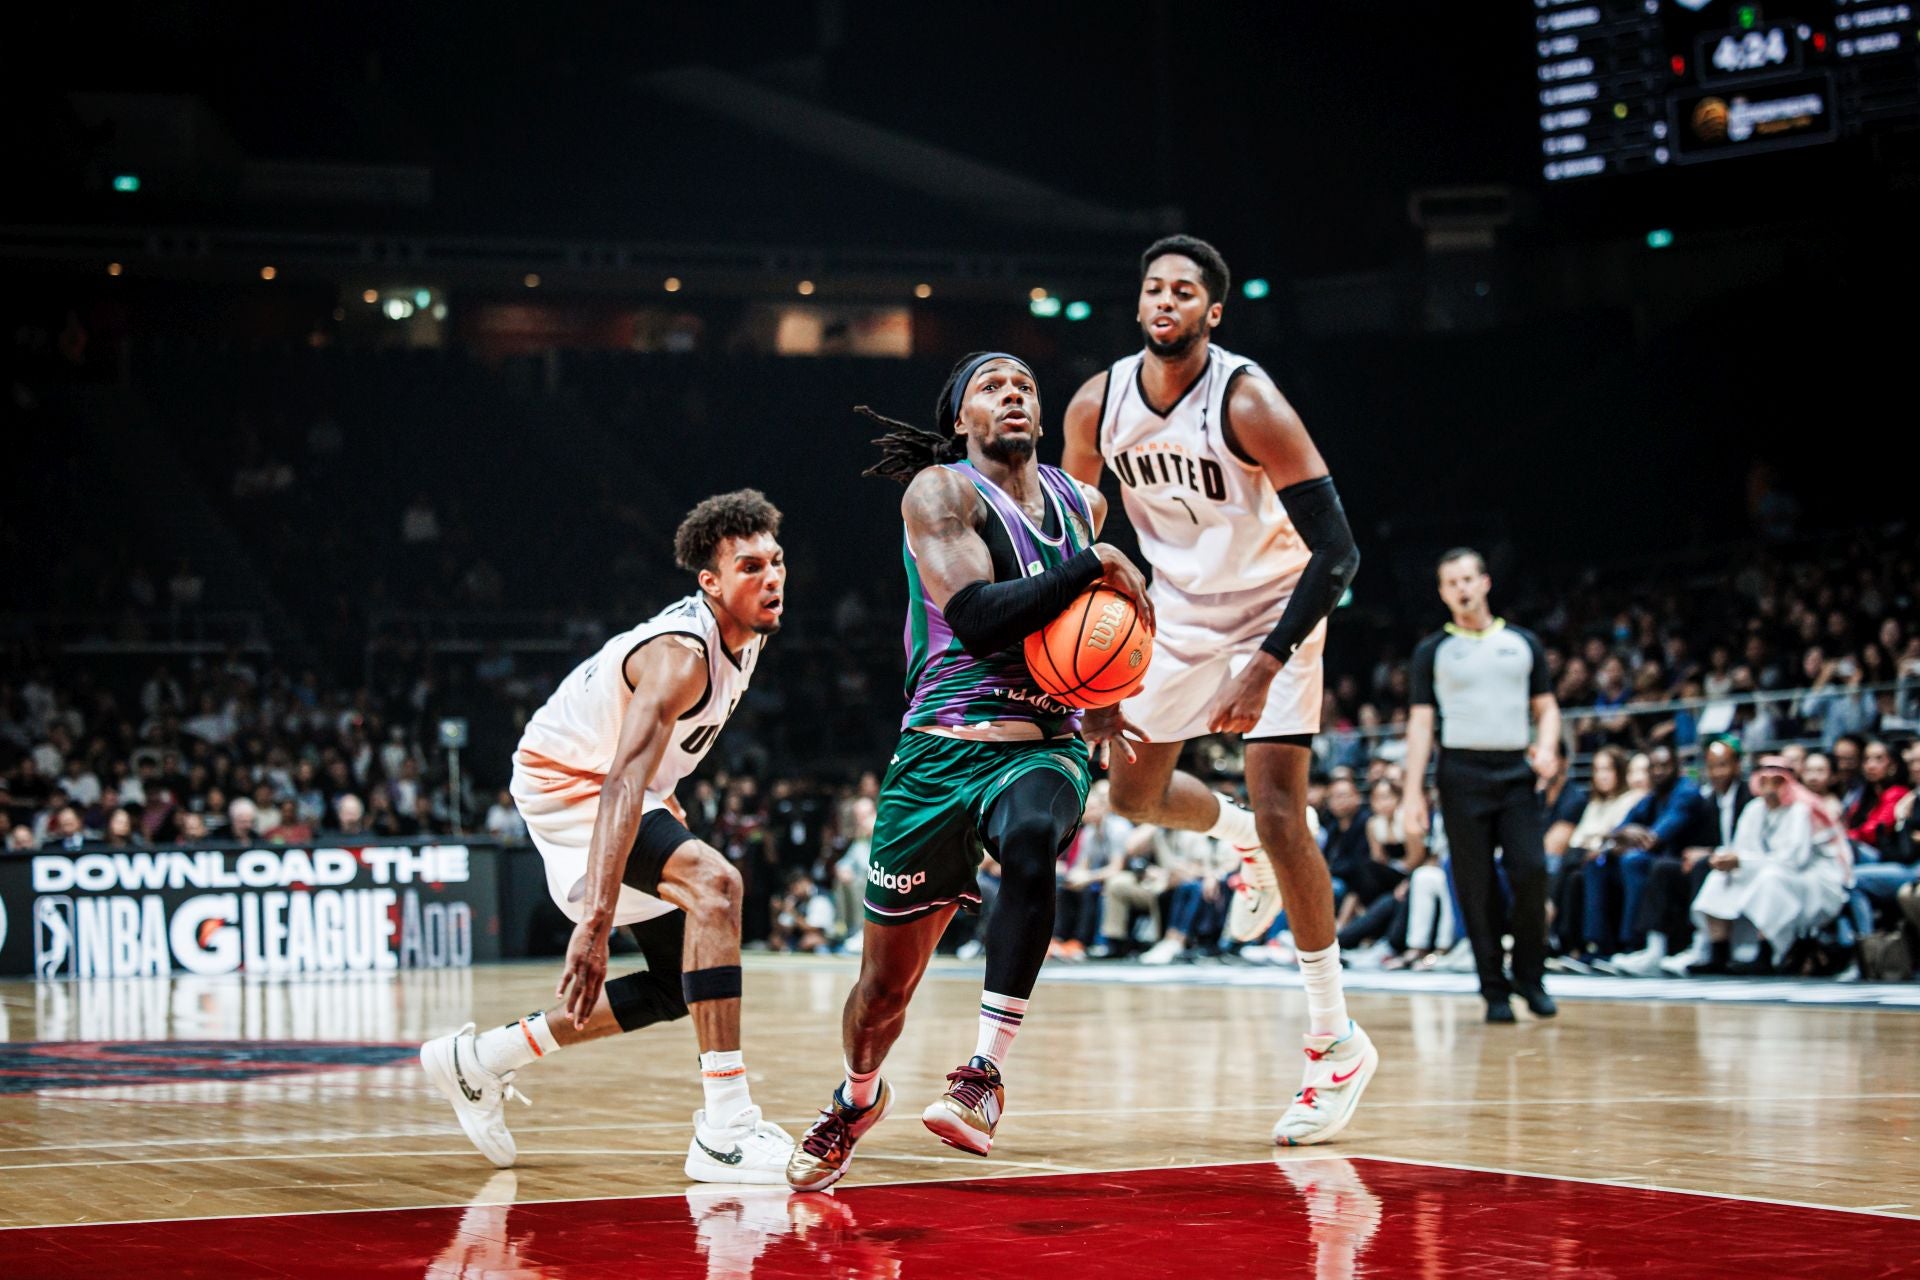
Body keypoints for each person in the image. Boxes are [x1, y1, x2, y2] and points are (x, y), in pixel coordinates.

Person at [788, 352, 1151, 1190]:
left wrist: (1109, 688)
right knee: (882, 991)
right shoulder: (939, 494)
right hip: (938, 752)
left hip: (1041, 743)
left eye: (1026, 382)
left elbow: (1111, 616)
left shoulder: (1081, 503)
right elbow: (979, 619)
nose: (1015, 393)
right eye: (992, 386)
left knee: (1031, 837)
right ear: (960, 420)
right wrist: (1090, 566)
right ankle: (856, 1098)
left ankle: (983, 1073)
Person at [1060, 235, 1373, 1145]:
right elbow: (1078, 545)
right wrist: (1089, 667)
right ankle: (1232, 838)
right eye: (1154, 287)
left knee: (1285, 811)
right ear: (1140, 304)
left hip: (1279, 606)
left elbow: (1340, 554)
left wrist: (1267, 662)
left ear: (1213, 311)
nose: (1166, 301)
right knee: (1131, 794)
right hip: (1178, 613)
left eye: (1185, 291)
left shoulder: (1249, 402)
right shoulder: (1097, 404)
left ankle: (1334, 1041)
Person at [420, 490, 795, 1184]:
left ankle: (482, 1061)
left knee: (676, 985)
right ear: (709, 582)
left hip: (617, 781)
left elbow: (649, 764)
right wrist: (594, 922)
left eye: (776, 561)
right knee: (717, 886)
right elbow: (622, 779)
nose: (771, 577)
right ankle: (726, 1129)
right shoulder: (684, 653)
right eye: (750, 566)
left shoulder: (745, 639)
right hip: (573, 783)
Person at [1401, 549, 1562, 1023]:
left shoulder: (1523, 642)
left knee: (1531, 870)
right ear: (1442, 592)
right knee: (1476, 885)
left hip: (1516, 771)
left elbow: (1547, 707)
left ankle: (1531, 977)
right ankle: (1493, 988)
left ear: (1486, 582)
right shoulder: (1433, 651)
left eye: (1469, 579)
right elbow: (1420, 724)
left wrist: (1548, 746)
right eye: (1452, 583)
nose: (1463, 589)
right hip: (1460, 774)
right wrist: (1413, 792)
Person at [1688, 756, 1852, 975]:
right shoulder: (1754, 809)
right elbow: (1743, 849)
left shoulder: (1802, 809)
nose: (1770, 787)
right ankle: (1719, 954)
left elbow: (1794, 860)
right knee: (1720, 877)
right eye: (1764, 780)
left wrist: (1743, 862)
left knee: (1771, 878)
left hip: (1815, 878)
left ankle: (1766, 954)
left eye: (1777, 781)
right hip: (1766, 868)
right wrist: (1727, 859)